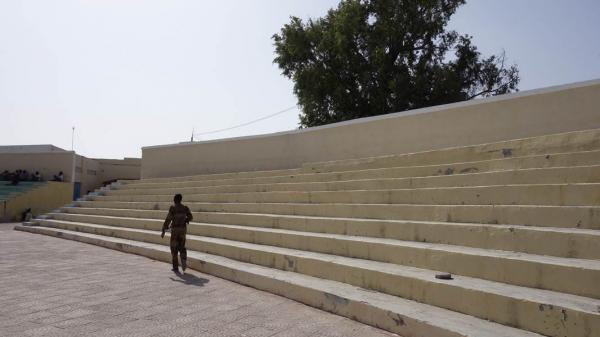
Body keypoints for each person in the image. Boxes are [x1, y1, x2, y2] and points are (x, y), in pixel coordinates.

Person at [161, 194, 193, 273]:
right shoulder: (185, 208)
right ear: (181, 200)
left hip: (175, 230)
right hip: (183, 230)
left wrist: (164, 229)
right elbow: (191, 217)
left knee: (174, 248)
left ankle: (175, 267)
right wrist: (186, 220)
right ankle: (183, 257)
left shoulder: (173, 208)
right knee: (182, 246)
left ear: (175, 200)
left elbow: (168, 219)